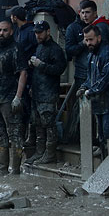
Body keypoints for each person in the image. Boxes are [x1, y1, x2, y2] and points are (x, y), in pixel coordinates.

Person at [0, 19, 27, 176]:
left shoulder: (16, 49)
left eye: (4, 30)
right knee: (0, 133)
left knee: (14, 134)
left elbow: (23, 72)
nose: (1, 33)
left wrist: (18, 97)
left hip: (9, 99)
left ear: (11, 32)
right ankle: (1, 167)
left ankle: (15, 169)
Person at [25, 20, 67, 165]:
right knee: (37, 124)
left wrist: (41, 65)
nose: (37, 35)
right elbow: (38, 71)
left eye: (40, 32)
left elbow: (59, 69)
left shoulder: (55, 49)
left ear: (48, 31)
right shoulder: (39, 47)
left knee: (49, 124)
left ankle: (50, 154)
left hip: (49, 93)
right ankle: (39, 152)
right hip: (37, 92)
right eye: (36, 33)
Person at [76, 24, 109, 159]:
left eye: (91, 40)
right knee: (101, 139)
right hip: (97, 105)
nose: (88, 43)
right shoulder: (91, 56)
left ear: (99, 38)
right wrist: (83, 87)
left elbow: (107, 78)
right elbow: (90, 78)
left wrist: (91, 91)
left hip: (108, 104)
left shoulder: (107, 53)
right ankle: (105, 168)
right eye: (86, 40)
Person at [65, 0, 109, 88]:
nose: (85, 16)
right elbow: (69, 50)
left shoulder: (100, 27)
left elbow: (103, 53)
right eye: (82, 13)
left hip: (98, 74)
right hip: (86, 73)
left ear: (95, 13)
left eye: (87, 12)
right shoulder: (75, 27)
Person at [9, 5, 37, 148]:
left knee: (30, 107)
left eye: (11, 16)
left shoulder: (30, 32)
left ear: (14, 17)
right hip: (20, 74)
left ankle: (31, 137)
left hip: (31, 74)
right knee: (23, 107)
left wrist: (31, 61)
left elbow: (37, 49)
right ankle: (23, 135)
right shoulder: (18, 32)